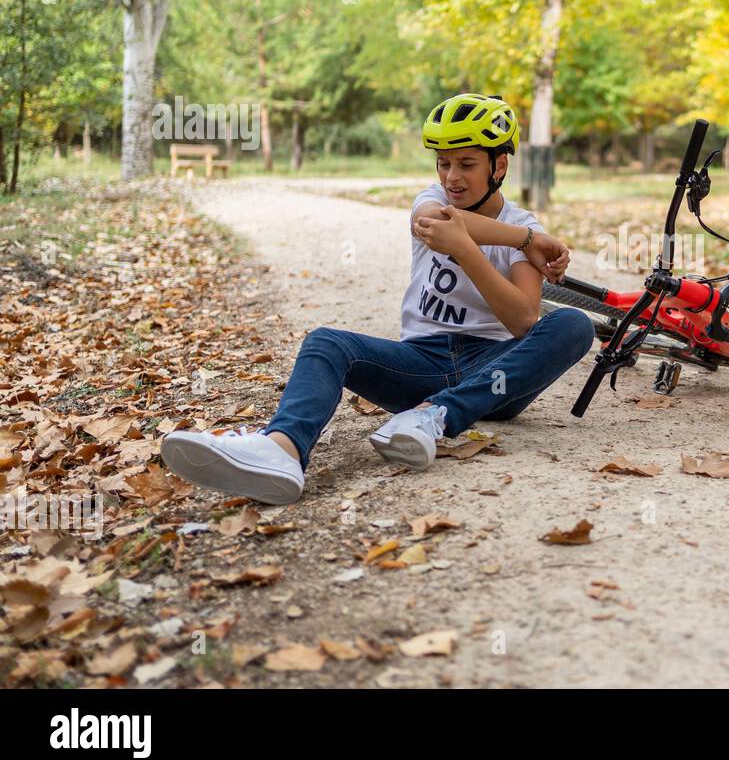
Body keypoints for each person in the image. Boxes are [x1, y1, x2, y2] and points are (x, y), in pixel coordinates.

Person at [160, 93, 594, 504]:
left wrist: (469, 247)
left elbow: (522, 320)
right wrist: (525, 240)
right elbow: (438, 221)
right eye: (443, 164)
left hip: (494, 376)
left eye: (466, 164)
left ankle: (437, 416)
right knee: (326, 342)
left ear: (499, 165)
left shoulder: (521, 222)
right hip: (420, 364)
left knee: (572, 325)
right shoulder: (443, 203)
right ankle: (282, 450)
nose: (452, 178)